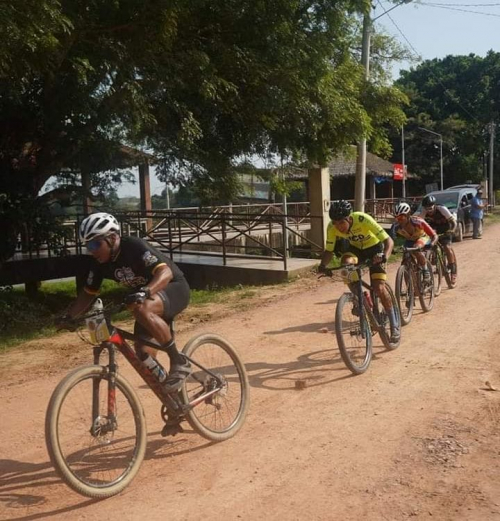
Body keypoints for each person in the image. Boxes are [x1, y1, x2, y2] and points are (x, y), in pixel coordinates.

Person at [62, 212, 192, 392]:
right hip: (146, 302)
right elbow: (88, 293)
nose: (92, 250)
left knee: (141, 309)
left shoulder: (133, 246)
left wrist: (145, 291)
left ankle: (179, 362)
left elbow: (165, 273)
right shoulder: (99, 263)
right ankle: (173, 399)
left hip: (173, 288)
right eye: (88, 245)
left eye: (95, 244)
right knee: (143, 355)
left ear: (113, 238)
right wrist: (69, 316)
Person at [318, 200, 400, 343]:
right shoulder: (332, 227)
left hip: (375, 249)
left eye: (341, 223)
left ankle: (394, 324)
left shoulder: (363, 219)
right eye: (335, 223)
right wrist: (322, 265)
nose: (338, 227)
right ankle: (359, 297)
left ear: (349, 218)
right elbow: (329, 250)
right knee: (346, 265)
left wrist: (384, 257)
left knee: (379, 288)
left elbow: (389, 241)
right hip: (356, 250)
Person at [390, 202, 438, 282]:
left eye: (401, 217)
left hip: (422, 237)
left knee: (416, 248)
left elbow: (434, 235)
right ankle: (410, 286)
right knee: (405, 256)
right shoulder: (395, 226)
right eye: (396, 218)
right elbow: (390, 240)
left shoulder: (419, 222)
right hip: (410, 240)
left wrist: (432, 243)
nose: (399, 220)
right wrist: (391, 249)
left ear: (408, 215)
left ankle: (425, 270)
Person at [417, 194, 458, 283]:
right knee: (427, 244)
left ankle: (453, 270)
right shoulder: (424, 211)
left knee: (447, 247)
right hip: (434, 229)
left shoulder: (442, 209)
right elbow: (419, 225)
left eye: (431, 209)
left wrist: (452, 230)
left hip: (446, 228)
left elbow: (453, 222)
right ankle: (433, 257)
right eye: (427, 209)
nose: (429, 211)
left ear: (434, 206)